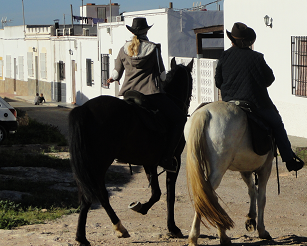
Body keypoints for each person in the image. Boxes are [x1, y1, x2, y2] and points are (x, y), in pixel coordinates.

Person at [215, 22, 304, 172]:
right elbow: (269, 79)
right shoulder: (257, 57)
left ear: (232, 40)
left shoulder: (224, 56)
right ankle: (289, 159)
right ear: (248, 41)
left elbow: (218, 82)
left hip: (229, 103)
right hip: (255, 103)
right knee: (277, 123)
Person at [107, 17, 186, 173]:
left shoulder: (124, 49)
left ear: (132, 32)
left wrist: (112, 79)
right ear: (146, 31)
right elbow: (163, 76)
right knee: (180, 118)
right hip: (151, 94)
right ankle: (167, 157)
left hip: (129, 93)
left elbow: (116, 73)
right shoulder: (153, 49)